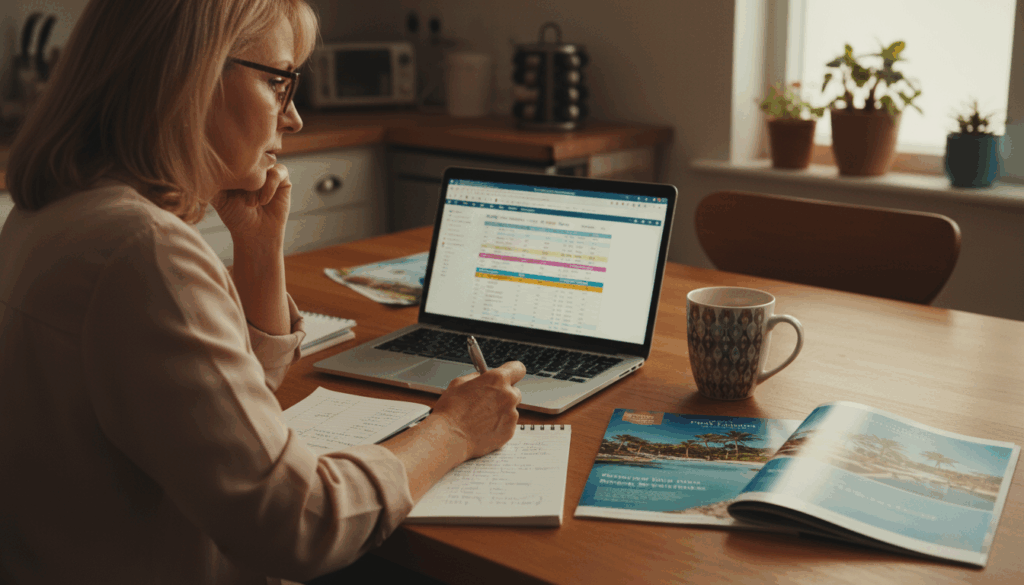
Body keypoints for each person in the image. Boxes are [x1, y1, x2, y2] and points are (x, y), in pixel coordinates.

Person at [0, 1, 524, 583]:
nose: (294, 117)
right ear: (191, 76)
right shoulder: (141, 249)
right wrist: (451, 430)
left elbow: (212, 411)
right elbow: (297, 522)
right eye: (280, 81)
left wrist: (256, 249)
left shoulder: (46, 213)